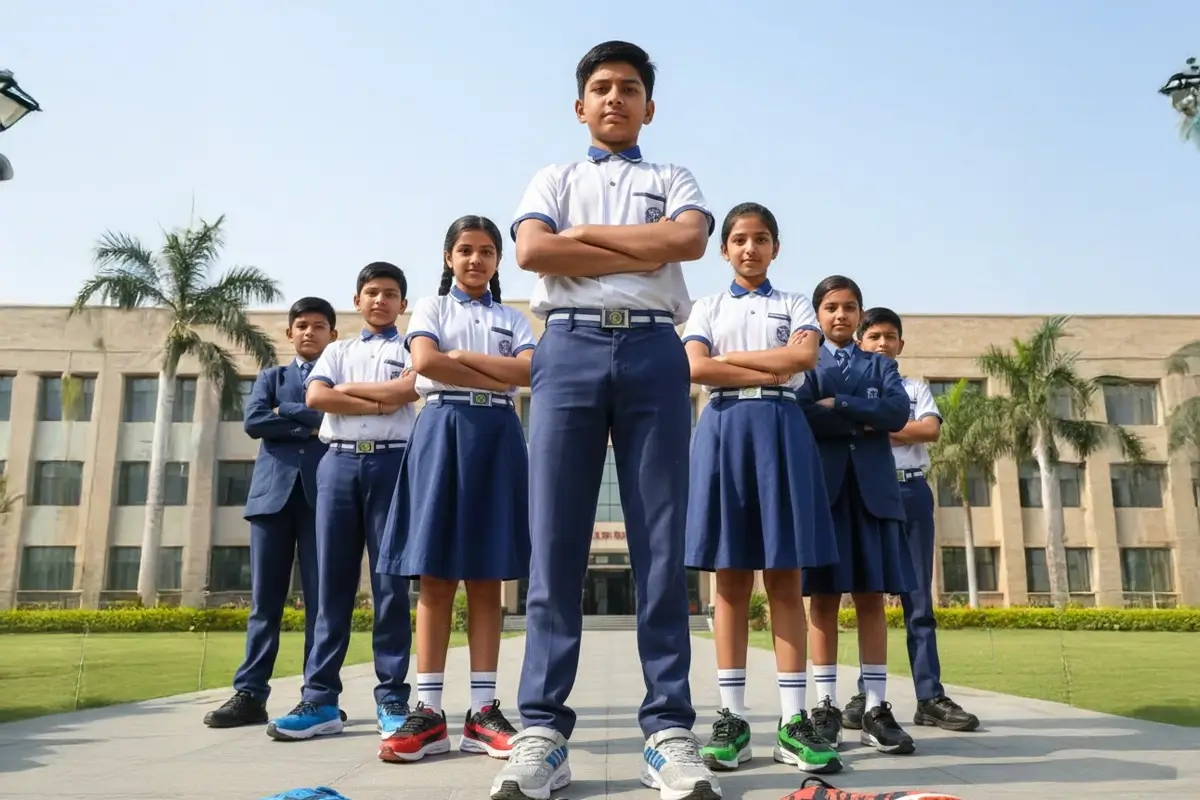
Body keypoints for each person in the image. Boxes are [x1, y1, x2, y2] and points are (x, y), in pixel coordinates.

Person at [494, 40, 719, 800]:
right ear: (580, 105)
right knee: (555, 538)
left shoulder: (673, 177)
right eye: (601, 87)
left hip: (655, 349)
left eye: (628, 88)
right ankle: (542, 730)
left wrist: (582, 242)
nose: (614, 98)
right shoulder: (552, 177)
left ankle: (668, 729)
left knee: (660, 540)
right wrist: (635, 251)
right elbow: (532, 250)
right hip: (568, 348)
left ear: (649, 106)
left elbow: (687, 240)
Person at [681, 203, 843, 776]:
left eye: (762, 239)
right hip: (724, 429)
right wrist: (763, 367)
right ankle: (731, 719)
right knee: (729, 578)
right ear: (724, 249)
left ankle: (794, 720)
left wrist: (732, 359)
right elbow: (696, 368)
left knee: (785, 575)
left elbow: (802, 357)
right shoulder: (706, 306)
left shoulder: (795, 303)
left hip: (781, 429)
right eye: (740, 239)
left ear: (776, 247)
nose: (750, 248)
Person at [375, 216, 535, 763]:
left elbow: (528, 373)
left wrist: (459, 360)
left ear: (498, 261)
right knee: (436, 576)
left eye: (487, 251)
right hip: (441, 431)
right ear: (449, 257)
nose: (475, 259)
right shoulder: (431, 308)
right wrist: (493, 371)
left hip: (497, 435)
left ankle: (483, 712)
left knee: (487, 577)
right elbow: (424, 362)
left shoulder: (514, 318)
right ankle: (429, 711)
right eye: (465, 249)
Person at [265, 262, 418, 745]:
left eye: (390, 294)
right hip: (338, 463)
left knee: (390, 586)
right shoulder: (337, 349)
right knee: (331, 584)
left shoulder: (413, 348)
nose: (380, 300)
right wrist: (379, 402)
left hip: (392, 463)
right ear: (357, 301)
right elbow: (316, 397)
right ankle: (320, 699)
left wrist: (346, 392)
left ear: (402, 304)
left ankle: (391, 697)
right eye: (372, 292)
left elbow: (407, 391)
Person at [204, 297, 340, 729]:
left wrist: (290, 413)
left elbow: (335, 420)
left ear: (333, 334)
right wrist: (311, 424)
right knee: (265, 602)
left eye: (319, 326)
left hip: (324, 499)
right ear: (290, 332)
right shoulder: (271, 377)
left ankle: (317, 696)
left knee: (323, 604)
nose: (309, 332)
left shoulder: (341, 378)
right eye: (302, 325)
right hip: (271, 499)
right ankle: (250, 693)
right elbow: (255, 422)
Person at [795, 276, 917, 756]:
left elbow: (897, 413)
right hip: (824, 494)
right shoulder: (807, 362)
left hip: (873, 494)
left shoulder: (880, 363)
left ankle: (876, 709)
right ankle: (824, 706)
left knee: (871, 598)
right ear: (818, 315)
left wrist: (841, 404)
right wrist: (865, 417)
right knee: (823, 599)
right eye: (831, 307)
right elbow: (803, 413)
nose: (840, 315)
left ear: (860, 314)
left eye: (849, 307)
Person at [846, 307, 980, 734]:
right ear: (859, 343)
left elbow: (929, 431)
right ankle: (867, 697)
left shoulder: (914, 387)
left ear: (901, 344)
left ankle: (929, 697)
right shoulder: (853, 388)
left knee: (919, 601)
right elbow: (856, 431)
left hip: (912, 492)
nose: (882, 343)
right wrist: (896, 425)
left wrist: (877, 427)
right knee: (869, 598)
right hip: (869, 491)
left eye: (890, 336)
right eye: (874, 336)